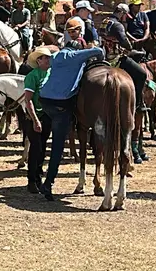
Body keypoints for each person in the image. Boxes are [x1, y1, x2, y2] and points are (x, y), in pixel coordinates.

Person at [37, 37, 105, 201]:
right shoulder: (76, 55)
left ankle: (35, 175)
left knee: (40, 139)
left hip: (44, 100)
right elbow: (99, 52)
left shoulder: (57, 56)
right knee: (58, 147)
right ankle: (48, 182)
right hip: (61, 104)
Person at [20, 45, 55, 194]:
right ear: (38, 61)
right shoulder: (32, 76)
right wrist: (35, 120)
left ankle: (39, 176)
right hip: (34, 116)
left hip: (47, 116)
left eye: (48, 57)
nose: (47, 60)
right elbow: (28, 101)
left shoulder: (51, 74)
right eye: (45, 58)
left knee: (42, 147)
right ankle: (31, 180)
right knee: (35, 148)